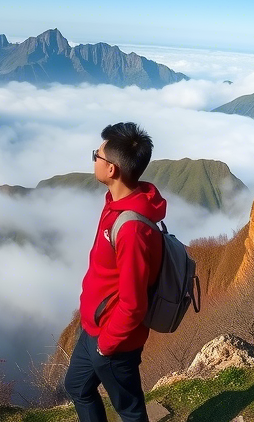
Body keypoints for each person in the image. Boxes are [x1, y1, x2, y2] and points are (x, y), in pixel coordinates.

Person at [63, 122, 165, 422]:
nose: (94, 158)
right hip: (94, 327)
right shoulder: (116, 203)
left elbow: (134, 304)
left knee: (130, 411)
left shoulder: (131, 228)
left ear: (112, 170)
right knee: (77, 387)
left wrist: (106, 346)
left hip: (114, 341)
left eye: (97, 155)